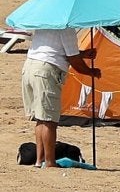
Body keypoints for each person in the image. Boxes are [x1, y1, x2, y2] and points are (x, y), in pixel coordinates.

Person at [20, 22, 96, 168]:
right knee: (50, 120)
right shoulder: (67, 29)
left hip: (30, 68)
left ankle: (40, 160)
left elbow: (56, 50)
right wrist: (91, 72)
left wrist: (84, 54)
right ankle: (49, 161)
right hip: (45, 72)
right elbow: (73, 60)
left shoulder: (44, 24)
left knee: (41, 118)